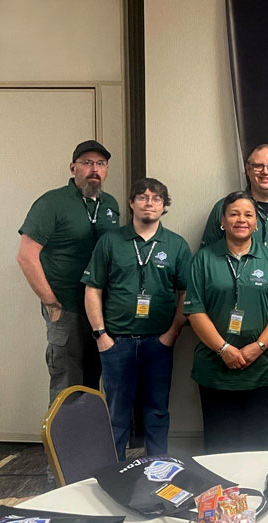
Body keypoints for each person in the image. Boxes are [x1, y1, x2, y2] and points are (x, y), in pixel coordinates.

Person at [82, 178, 191, 460]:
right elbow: (93, 288)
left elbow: (186, 292)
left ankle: (159, 469)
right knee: (116, 413)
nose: (149, 203)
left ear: (164, 206)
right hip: (116, 342)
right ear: (131, 203)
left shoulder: (176, 245)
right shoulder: (111, 242)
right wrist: (100, 335)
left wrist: (172, 334)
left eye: (156, 199)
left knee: (157, 411)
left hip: (158, 342)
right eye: (142, 197)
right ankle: (114, 473)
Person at [184, 192, 268, 454]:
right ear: (222, 220)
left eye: (248, 215)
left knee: (262, 449)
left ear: (256, 222)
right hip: (216, 371)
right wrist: (224, 349)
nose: (241, 220)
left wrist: (259, 346)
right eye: (233, 214)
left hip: (263, 370)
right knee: (221, 449)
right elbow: (195, 310)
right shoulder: (204, 259)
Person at [17, 140, 120, 402]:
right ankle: (61, 444)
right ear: (73, 167)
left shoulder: (110, 204)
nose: (94, 169)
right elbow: (26, 257)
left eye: (100, 163)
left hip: (100, 310)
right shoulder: (52, 202)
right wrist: (51, 302)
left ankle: (86, 443)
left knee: (93, 382)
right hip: (67, 308)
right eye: (87, 163)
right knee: (67, 384)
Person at [201, 144, 268, 376]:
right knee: (229, 387)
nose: (265, 171)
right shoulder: (225, 208)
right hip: (229, 319)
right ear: (247, 170)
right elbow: (206, 262)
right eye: (258, 166)